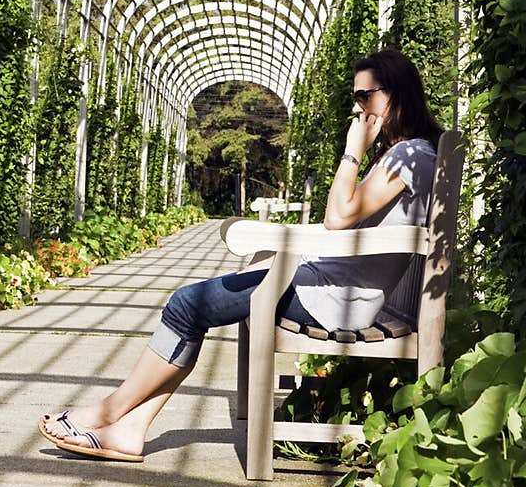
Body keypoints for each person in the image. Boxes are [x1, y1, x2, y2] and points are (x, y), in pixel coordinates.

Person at [37, 46, 442, 463]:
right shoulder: (412, 153)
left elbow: (337, 218)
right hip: (331, 291)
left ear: (395, 94)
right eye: (354, 99)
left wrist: (353, 149)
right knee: (191, 307)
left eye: (364, 97)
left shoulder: (409, 156)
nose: (357, 111)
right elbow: (342, 223)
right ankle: (129, 431)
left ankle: (109, 412)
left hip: (331, 301)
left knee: (185, 305)